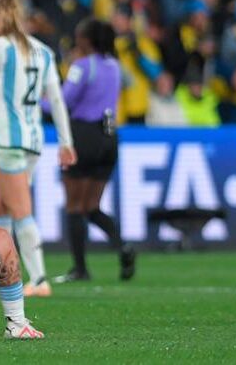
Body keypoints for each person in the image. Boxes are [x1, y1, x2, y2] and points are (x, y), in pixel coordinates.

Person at [0, 0, 76, 297]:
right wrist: (65, 141)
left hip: (7, 141)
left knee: (20, 209)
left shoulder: (0, 46)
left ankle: (38, 279)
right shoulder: (43, 51)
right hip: (33, 141)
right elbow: (57, 100)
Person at [53, 18, 135, 283]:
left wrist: (35, 101)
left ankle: (80, 269)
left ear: (86, 40)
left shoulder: (81, 66)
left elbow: (63, 101)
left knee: (75, 206)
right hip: (109, 137)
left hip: (83, 134)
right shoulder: (114, 66)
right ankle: (122, 245)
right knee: (91, 206)